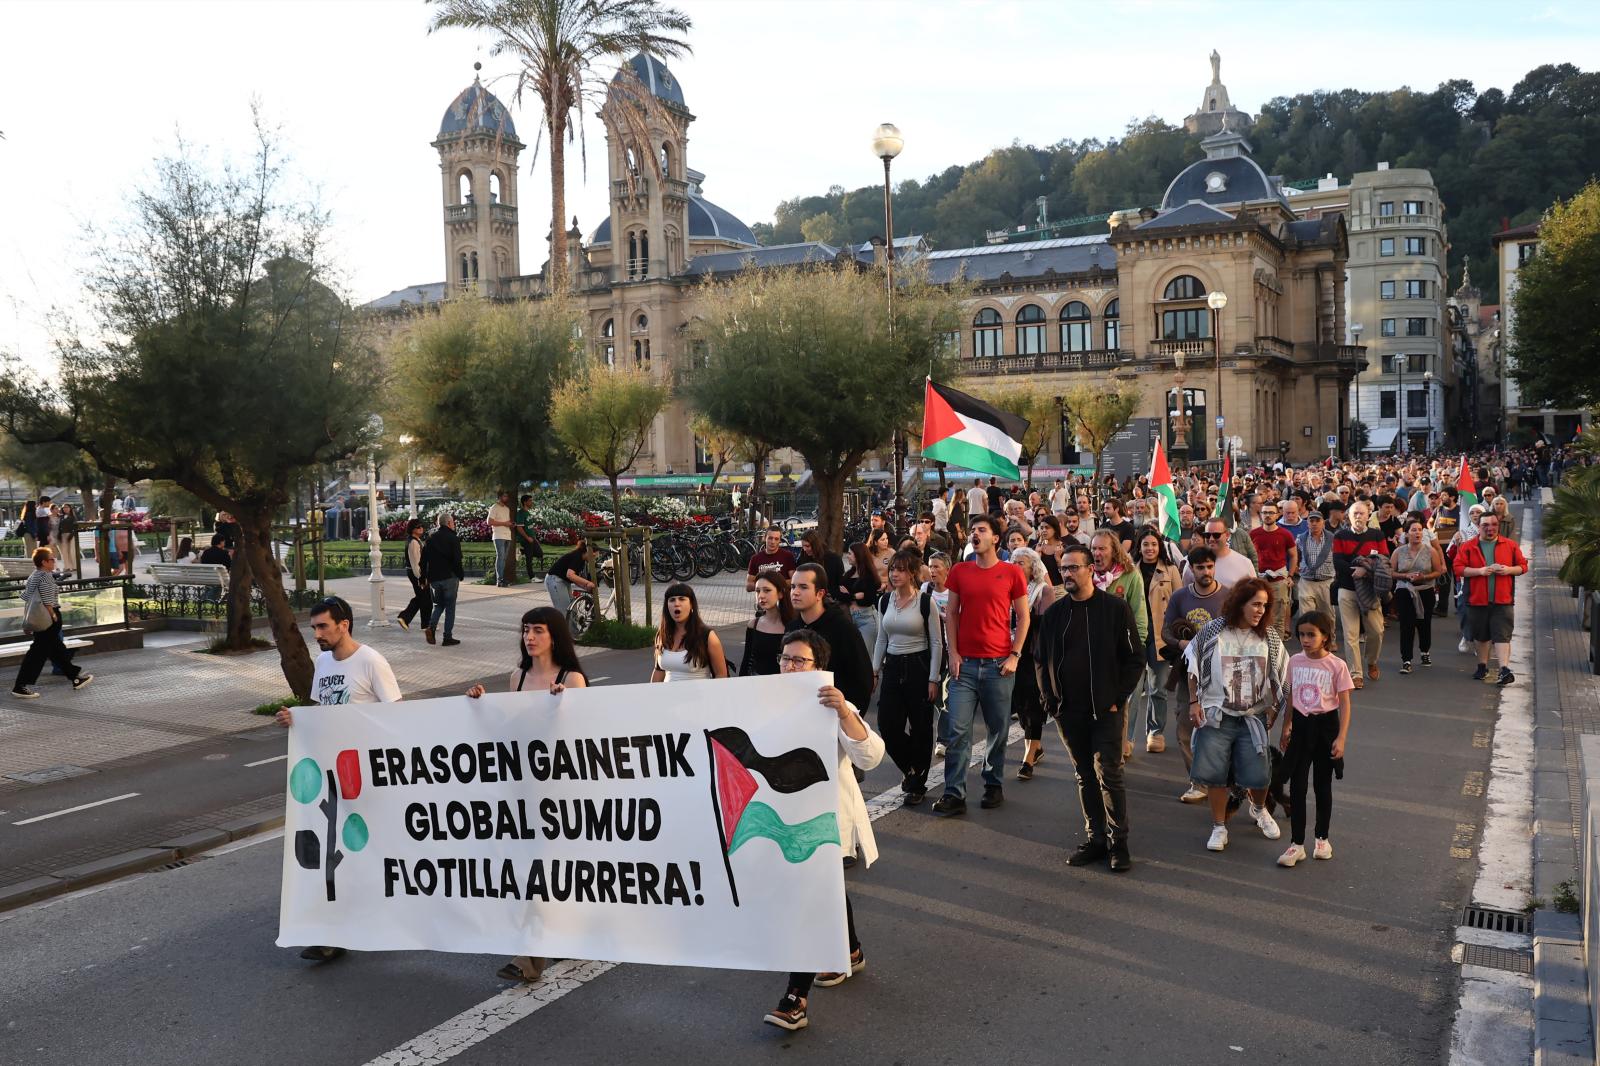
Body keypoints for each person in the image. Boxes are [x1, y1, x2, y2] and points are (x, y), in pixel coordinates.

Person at [762, 629, 886, 1032]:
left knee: (808, 899)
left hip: (823, 822)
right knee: (826, 889)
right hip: (781, 818)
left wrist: (845, 713)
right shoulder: (762, 702)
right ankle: (850, 950)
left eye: (800, 660)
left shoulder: (832, 705)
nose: (790, 666)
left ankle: (795, 998)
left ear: (819, 666)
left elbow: (871, 755)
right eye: (785, 658)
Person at [464, 605, 588, 983]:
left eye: (538, 630)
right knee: (528, 867)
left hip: (560, 791)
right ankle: (540, 946)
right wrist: (481, 706)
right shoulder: (517, 677)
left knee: (548, 868)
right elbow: (508, 730)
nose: (529, 637)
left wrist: (560, 707)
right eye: (525, 630)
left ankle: (535, 954)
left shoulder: (572, 679)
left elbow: (583, 738)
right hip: (523, 789)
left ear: (554, 636)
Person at [275, 595, 400, 962]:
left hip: (366, 776)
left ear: (343, 625)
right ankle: (332, 932)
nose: (316, 634)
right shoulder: (324, 662)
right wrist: (296, 718)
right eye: (314, 627)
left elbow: (397, 717)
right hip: (332, 775)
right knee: (334, 854)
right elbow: (321, 710)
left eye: (323, 627)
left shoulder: (371, 661)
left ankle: (388, 914)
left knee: (369, 852)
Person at [1033, 542, 1144, 872]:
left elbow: (1134, 659)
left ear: (1090, 570)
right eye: (1063, 568)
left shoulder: (1114, 609)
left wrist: (1117, 699)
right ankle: (1096, 839)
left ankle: (1118, 842)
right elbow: (1040, 659)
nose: (1066, 574)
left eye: (1073, 568)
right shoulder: (1055, 614)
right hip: (1068, 712)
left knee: (1109, 774)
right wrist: (1050, 701)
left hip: (1106, 710)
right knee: (1084, 775)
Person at [1186, 577, 1288, 853]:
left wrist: (1275, 710)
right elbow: (1193, 665)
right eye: (1255, 604)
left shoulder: (1269, 637)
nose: (1260, 610)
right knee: (1215, 774)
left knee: (1260, 773)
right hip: (1216, 714)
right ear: (1240, 603)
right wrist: (1194, 702)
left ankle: (1259, 809)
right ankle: (1219, 827)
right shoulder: (1213, 631)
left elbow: (1281, 675)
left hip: (1253, 716)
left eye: (1264, 606)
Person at [935, 514, 1029, 816]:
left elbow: (1023, 616)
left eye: (982, 530)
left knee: (997, 729)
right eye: (972, 530)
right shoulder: (960, 571)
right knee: (957, 730)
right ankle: (954, 793)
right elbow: (951, 614)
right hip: (964, 666)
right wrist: (953, 652)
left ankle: (993, 783)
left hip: (998, 665)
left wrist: (1015, 655)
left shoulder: (1012, 572)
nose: (975, 534)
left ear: (995, 539)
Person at [1276, 610, 1353, 867]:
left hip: (1325, 727)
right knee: (1297, 786)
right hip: (1300, 726)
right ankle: (1296, 844)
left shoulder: (1337, 665)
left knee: (1322, 785)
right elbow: (1291, 695)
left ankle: (1322, 839)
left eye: (1311, 635)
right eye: (1301, 635)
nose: (1305, 640)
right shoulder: (1295, 661)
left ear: (1325, 636)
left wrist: (1341, 738)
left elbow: (1345, 704)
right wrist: (1286, 726)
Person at [872, 549, 945, 805]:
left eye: (901, 569)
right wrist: (874, 670)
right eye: (892, 569)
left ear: (912, 573)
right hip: (892, 666)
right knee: (888, 725)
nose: (895, 574)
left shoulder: (925, 602)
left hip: (918, 666)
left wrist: (933, 678)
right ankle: (911, 768)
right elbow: (881, 638)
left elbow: (936, 642)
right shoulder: (885, 601)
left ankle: (917, 784)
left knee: (920, 727)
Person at [1161, 546, 1232, 802]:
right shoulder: (1180, 597)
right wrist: (1183, 644)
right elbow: (1165, 631)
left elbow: (1237, 630)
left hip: (1221, 672)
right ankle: (1198, 782)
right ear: (1191, 569)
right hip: (1187, 672)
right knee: (1185, 725)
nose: (1206, 572)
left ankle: (1223, 781)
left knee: (1222, 727)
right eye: (1200, 567)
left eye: (1210, 566)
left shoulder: (1227, 596)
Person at [1090, 529, 1146, 759]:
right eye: (1094, 548)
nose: (1097, 553)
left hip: (1119, 652)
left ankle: (1117, 752)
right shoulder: (1086, 574)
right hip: (1091, 651)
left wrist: (1137, 650)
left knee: (1118, 704)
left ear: (1114, 551)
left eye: (1102, 548)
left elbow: (1139, 615)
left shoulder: (1130, 575)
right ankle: (1094, 752)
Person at [1453, 512, 1527, 686]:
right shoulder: (1468, 546)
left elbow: (1523, 566)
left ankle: (1504, 669)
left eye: (1494, 524)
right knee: (1482, 636)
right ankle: (1482, 666)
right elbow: (1458, 568)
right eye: (1485, 525)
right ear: (1478, 527)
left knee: (1502, 635)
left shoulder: (1509, 545)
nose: (1490, 528)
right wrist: (1479, 571)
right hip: (1477, 599)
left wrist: (1508, 570)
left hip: (1503, 600)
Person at [787, 563, 873, 712]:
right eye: (793, 587)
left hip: (835, 715)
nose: (795, 592)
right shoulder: (792, 628)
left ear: (820, 594)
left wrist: (848, 718)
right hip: (798, 712)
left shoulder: (843, 629)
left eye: (803, 587)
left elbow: (862, 681)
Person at [11, 548, 93, 699]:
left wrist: (28, 621)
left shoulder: (34, 575)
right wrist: (53, 615)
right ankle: (20, 686)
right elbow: (47, 600)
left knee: (56, 649)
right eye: (51, 559)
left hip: (39, 617)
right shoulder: (46, 576)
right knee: (38, 652)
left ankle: (75, 677)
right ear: (44, 562)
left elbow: (27, 599)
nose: (54, 561)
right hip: (48, 617)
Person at [1007, 547, 1056, 781]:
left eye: (1021, 563)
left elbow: (1046, 624)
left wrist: (1023, 613)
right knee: (1019, 703)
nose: (1016, 566)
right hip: (1009, 651)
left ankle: (1028, 758)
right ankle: (1036, 745)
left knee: (1033, 705)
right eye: (1013, 561)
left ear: (1032, 567)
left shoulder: (1043, 590)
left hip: (1032, 653)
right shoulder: (1005, 588)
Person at [1136, 529, 1183, 754]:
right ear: (1139, 547)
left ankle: (1155, 731)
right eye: (1145, 544)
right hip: (1136, 632)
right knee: (1132, 690)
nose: (1150, 548)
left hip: (1160, 634)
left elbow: (1179, 603)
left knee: (1158, 688)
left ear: (1159, 547)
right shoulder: (1130, 570)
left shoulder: (1170, 570)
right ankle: (1126, 737)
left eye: (1154, 544)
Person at [1332, 501, 1388, 688]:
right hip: (1347, 588)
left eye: (1361, 513)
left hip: (1370, 590)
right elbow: (1337, 561)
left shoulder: (1377, 535)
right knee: (1351, 634)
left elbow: (1384, 559)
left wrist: (1365, 570)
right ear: (1348, 516)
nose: (1358, 516)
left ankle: (1371, 661)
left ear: (1368, 515)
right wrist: (1354, 571)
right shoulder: (1340, 535)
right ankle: (1355, 673)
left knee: (1376, 631)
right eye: (1355, 513)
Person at [1391, 517, 1445, 674]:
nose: (1417, 533)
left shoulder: (1430, 551)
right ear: (1407, 534)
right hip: (1405, 590)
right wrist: (1405, 576)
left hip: (1425, 590)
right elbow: (1391, 572)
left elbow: (1438, 571)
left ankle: (1424, 651)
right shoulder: (1399, 552)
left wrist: (1424, 577)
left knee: (1424, 623)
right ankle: (1406, 659)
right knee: (1406, 624)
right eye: (1414, 530)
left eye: (1420, 530)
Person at [650, 583, 728, 682]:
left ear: (691, 604)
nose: (676, 604)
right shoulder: (662, 634)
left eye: (682, 599)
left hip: (699, 691)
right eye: (672, 600)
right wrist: (651, 691)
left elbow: (721, 675)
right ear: (667, 606)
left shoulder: (707, 636)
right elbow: (658, 671)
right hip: (667, 692)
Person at [421, 511, 465, 646]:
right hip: (449, 577)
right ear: (449, 523)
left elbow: (423, 560)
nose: (454, 524)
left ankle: (431, 627)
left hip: (434, 578)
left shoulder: (430, 538)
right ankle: (447, 637)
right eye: (453, 522)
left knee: (439, 605)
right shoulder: (453, 538)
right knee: (450, 607)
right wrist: (460, 574)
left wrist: (423, 577)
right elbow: (457, 559)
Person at [740, 571, 795, 677]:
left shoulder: (794, 626)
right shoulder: (753, 625)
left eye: (767, 590)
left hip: (785, 683)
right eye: (757, 591)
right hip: (757, 682)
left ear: (780, 593)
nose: (761, 595)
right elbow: (746, 660)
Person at [842, 541, 884, 653]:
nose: (847, 556)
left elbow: (868, 600)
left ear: (858, 556)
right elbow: (840, 595)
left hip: (866, 618)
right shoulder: (848, 575)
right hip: (849, 617)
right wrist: (855, 596)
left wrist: (850, 595)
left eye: (850, 553)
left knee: (865, 654)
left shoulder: (869, 576)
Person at [1296, 510, 1335, 619]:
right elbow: (1295, 555)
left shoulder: (1332, 539)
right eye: (1311, 521)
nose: (1314, 523)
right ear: (1307, 523)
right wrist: (1297, 568)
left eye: (1317, 521)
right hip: (1306, 582)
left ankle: (1328, 632)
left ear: (1323, 522)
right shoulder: (1300, 538)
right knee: (1306, 616)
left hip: (1326, 582)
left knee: (1327, 617)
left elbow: (1338, 557)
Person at [544, 535, 597, 617]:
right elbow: (570, 575)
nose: (594, 559)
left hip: (563, 581)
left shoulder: (582, 560)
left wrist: (585, 587)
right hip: (555, 580)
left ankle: (572, 625)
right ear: (587, 552)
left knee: (572, 609)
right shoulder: (577, 556)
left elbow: (574, 578)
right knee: (564, 611)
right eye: (593, 556)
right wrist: (587, 583)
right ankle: (561, 625)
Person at [1199, 516, 1257, 588]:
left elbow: (1255, 591)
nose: (1211, 539)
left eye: (1216, 535)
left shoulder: (1245, 563)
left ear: (1227, 535)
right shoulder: (1195, 562)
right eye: (1207, 535)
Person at [395, 518, 431, 631]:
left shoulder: (416, 540)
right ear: (412, 529)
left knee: (423, 597)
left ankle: (423, 623)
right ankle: (406, 618)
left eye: (421, 526)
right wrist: (421, 578)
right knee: (425, 597)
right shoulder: (413, 543)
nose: (421, 528)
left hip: (417, 573)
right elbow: (416, 563)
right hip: (416, 573)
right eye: (418, 527)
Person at [746, 527, 797, 592]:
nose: (773, 542)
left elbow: (794, 582)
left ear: (780, 540)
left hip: (783, 597)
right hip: (763, 597)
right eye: (770, 538)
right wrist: (766, 585)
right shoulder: (755, 558)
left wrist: (773, 583)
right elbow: (749, 586)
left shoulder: (788, 556)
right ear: (765, 538)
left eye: (776, 539)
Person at [487, 489, 515, 587]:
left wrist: (510, 524)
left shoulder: (507, 509)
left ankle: (502, 578)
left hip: (507, 535)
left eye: (507, 496)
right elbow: (489, 522)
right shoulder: (494, 507)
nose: (506, 498)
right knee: (501, 557)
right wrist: (504, 523)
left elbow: (506, 522)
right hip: (498, 536)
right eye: (504, 496)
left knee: (503, 559)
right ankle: (499, 580)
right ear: (499, 497)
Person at [515, 494, 545, 582]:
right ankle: (532, 577)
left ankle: (520, 551)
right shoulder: (521, 513)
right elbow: (519, 528)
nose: (532, 502)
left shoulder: (527, 513)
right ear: (525, 502)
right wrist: (527, 538)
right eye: (530, 501)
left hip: (532, 538)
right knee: (529, 558)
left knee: (539, 553)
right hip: (526, 539)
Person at [54, 505, 79, 576]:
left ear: (70, 508)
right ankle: (67, 567)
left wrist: (71, 535)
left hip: (71, 535)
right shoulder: (61, 517)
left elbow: (75, 527)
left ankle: (74, 566)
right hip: (63, 535)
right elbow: (59, 527)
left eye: (67, 507)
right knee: (64, 552)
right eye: (64, 507)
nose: (65, 509)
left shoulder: (73, 517)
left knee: (72, 551)